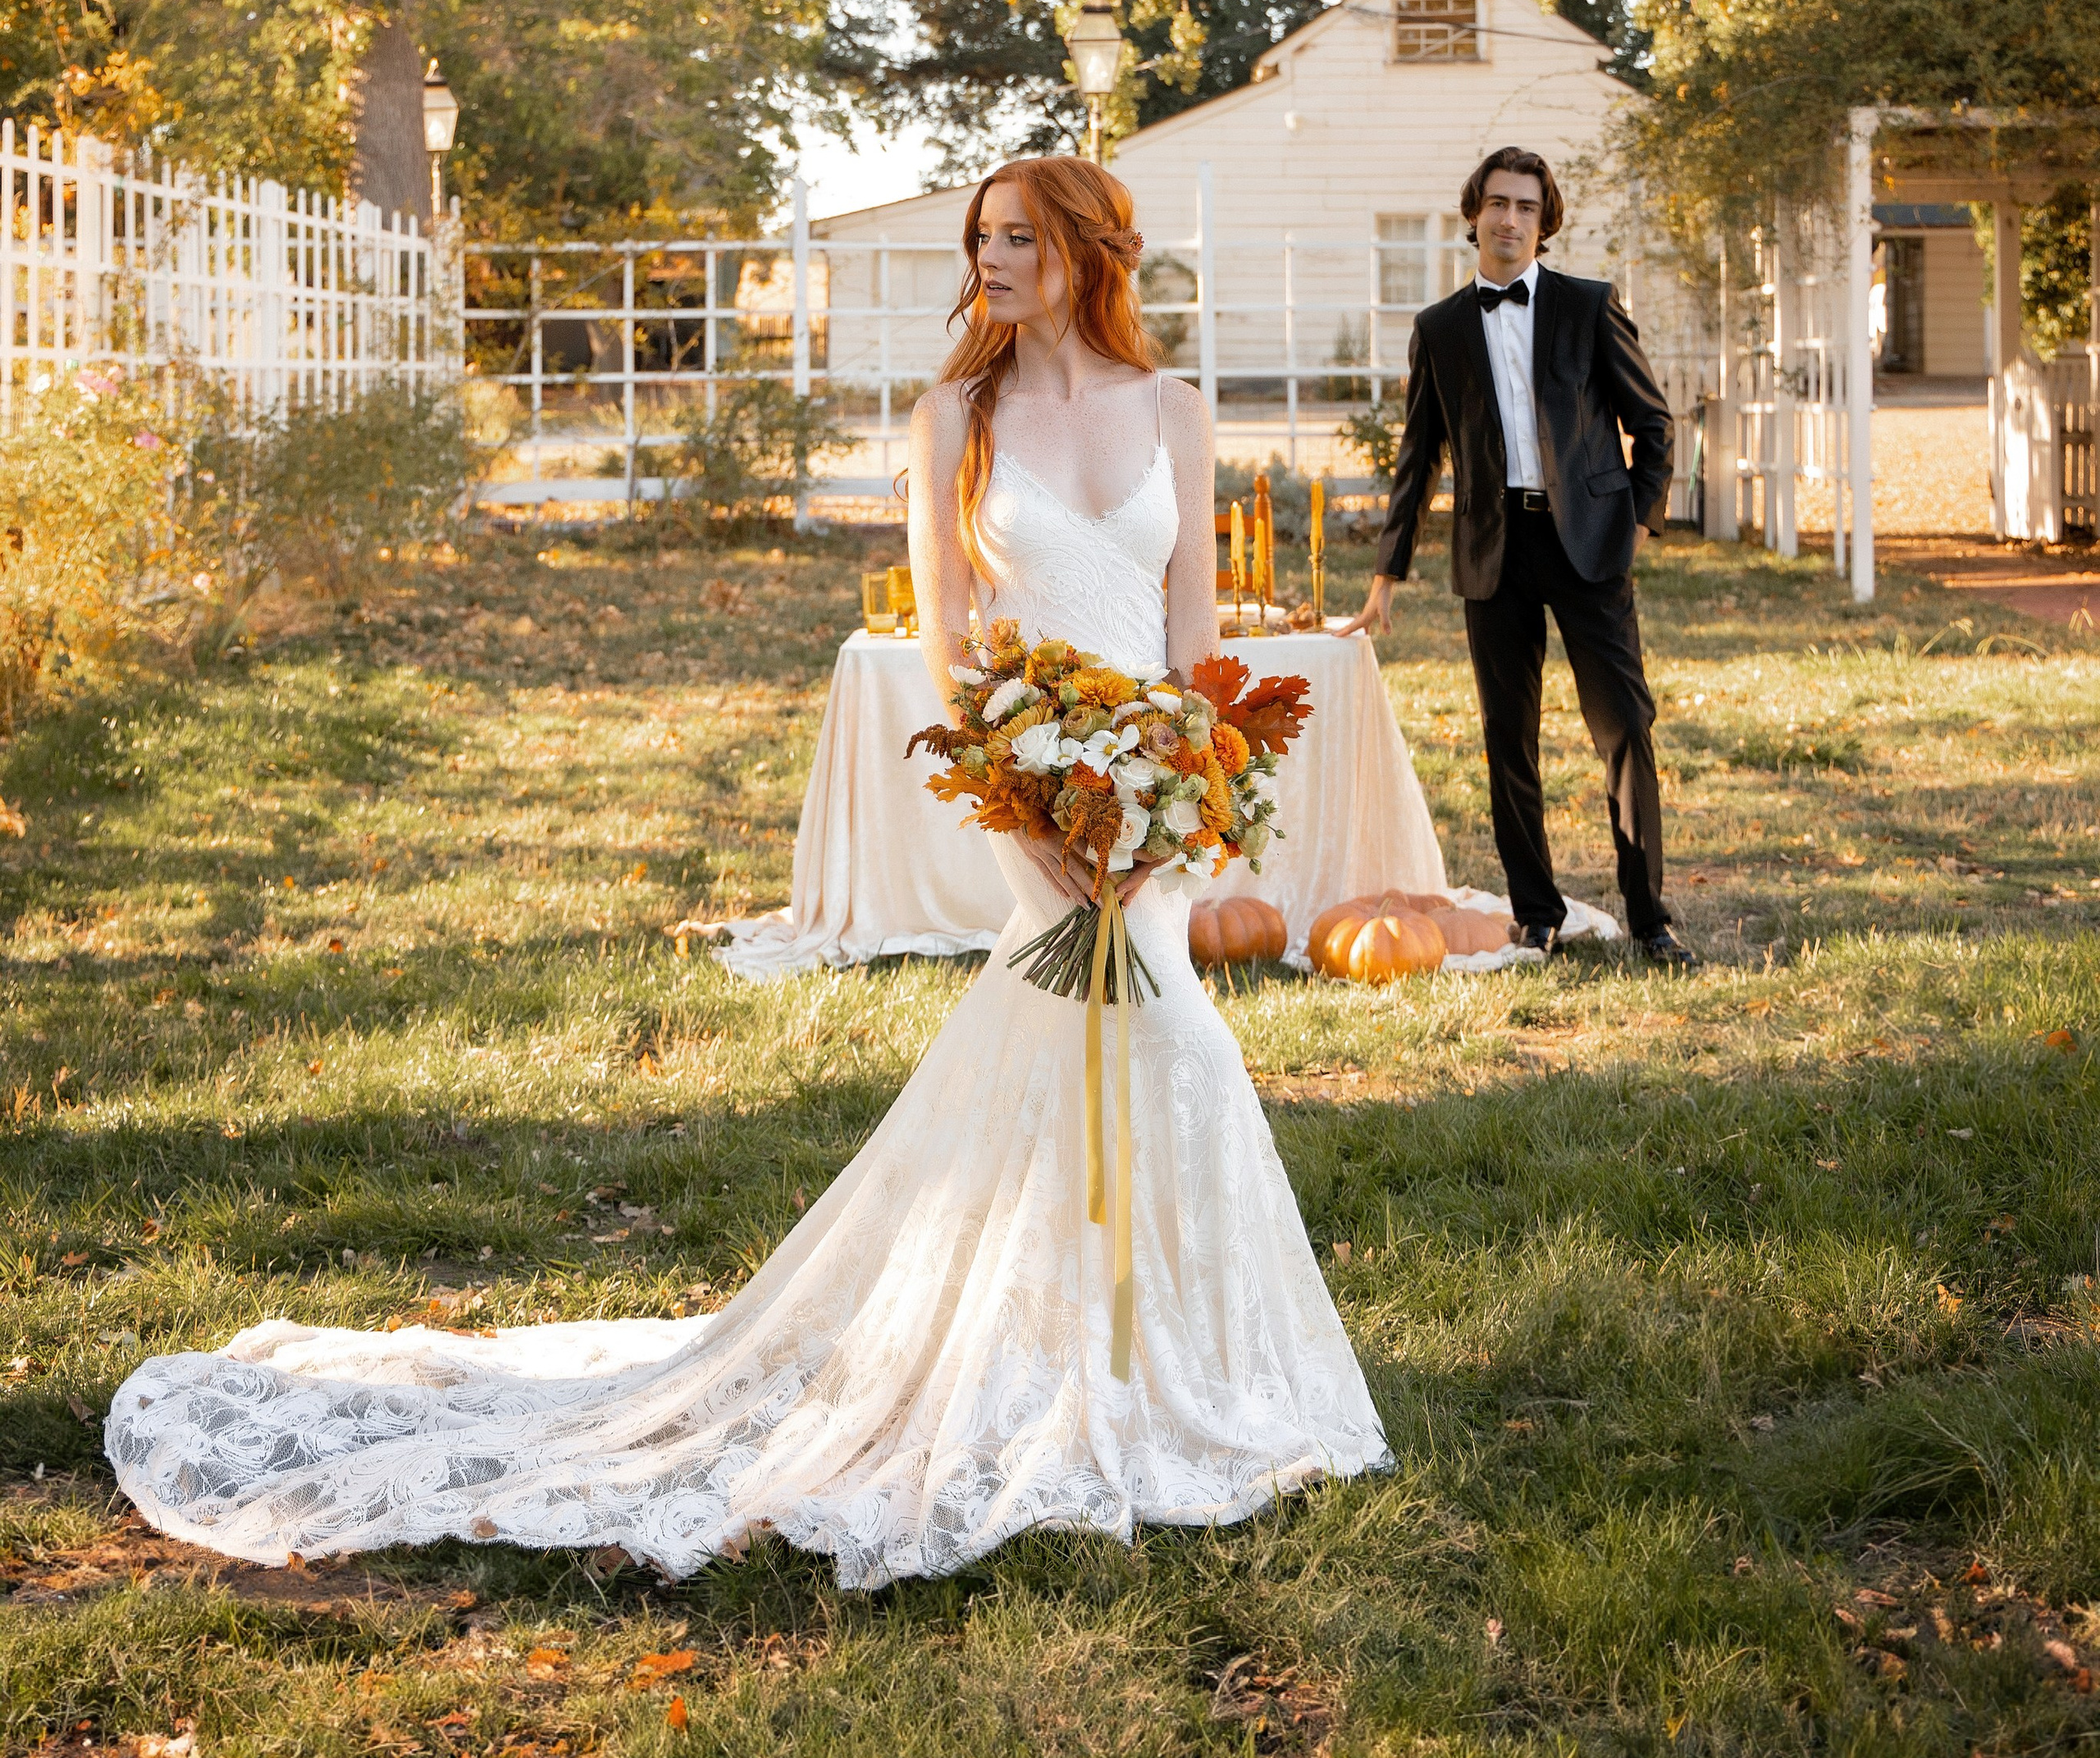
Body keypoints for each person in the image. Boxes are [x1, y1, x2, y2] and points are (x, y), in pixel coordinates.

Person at [107, 155, 1388, 1589]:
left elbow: (1197, 638)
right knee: (1103, 1031)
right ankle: (1059, 1356)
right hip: (1031, 796)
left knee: (1162, 1037)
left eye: (1019, 237)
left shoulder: (1178, 412)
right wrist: (1029, 817)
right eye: (982, 239)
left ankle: (1160, 1355)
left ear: (1088, 249)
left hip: (1150, 802)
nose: (994, 260)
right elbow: (954, 650)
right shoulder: (955, 415)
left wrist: (1180, 798)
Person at [1340, 147, 1694, 969]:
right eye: (1496, 203)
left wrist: (1637, 523)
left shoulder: (1589, 306)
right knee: (1509, 738)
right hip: (1491, 551)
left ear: (1543, 221)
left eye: (1525, 207)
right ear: (1474, 214)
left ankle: (1650, 919)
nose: (1508, 218)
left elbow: (1655, 426)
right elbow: (1416, 456)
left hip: (1588, 545)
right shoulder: (1439, 330)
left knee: (1625, 729)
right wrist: (1386, 574)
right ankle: (1536, 914)